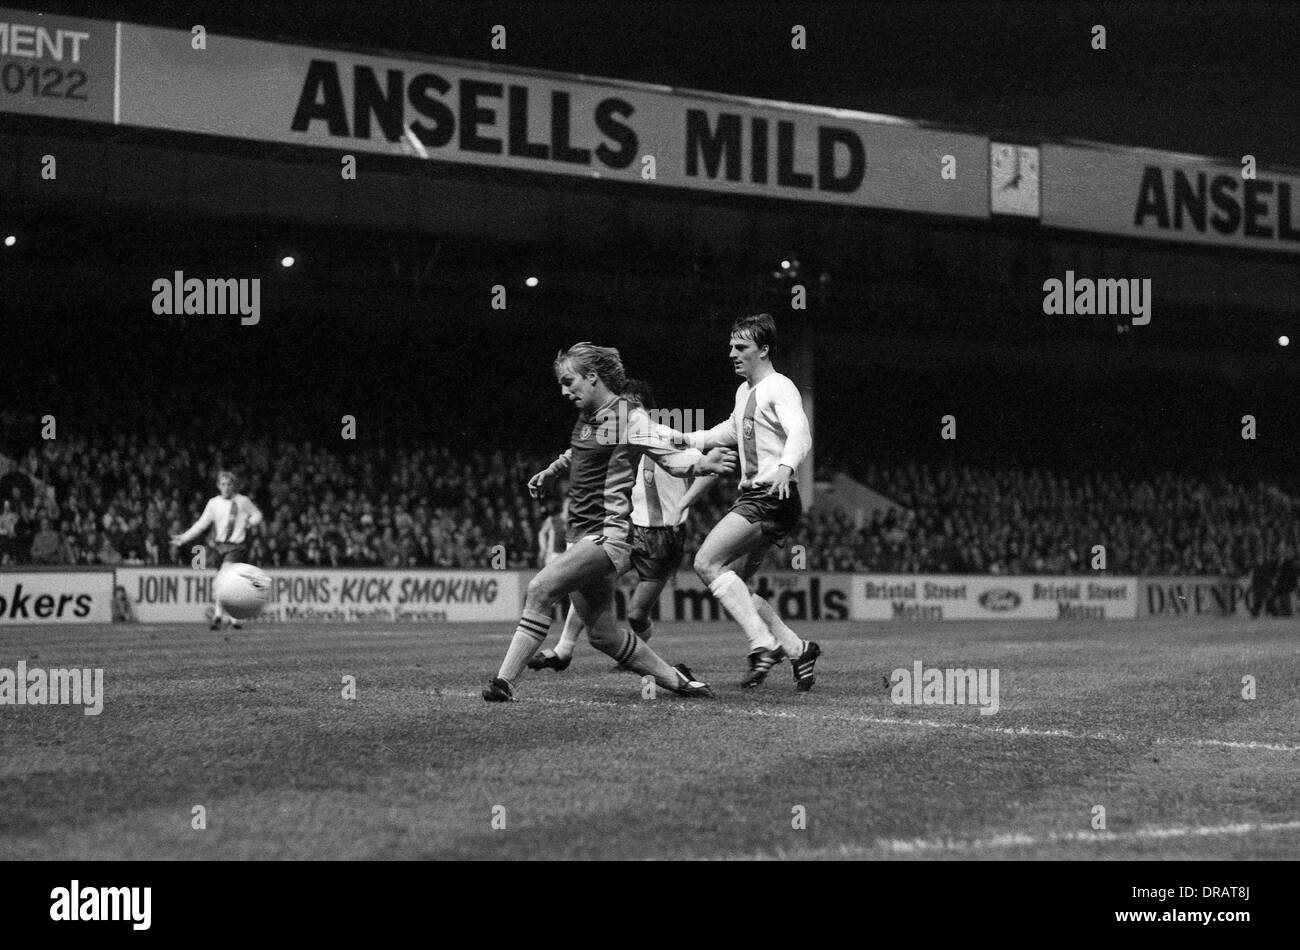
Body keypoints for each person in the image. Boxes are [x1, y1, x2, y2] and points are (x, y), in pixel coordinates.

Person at [481, 343, 736, 702]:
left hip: (607, 536)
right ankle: (681, 682)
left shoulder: (629, 417)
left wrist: (703, 464)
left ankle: (504, 683)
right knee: (604, 636)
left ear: (592, 377)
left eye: (569, 382)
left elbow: (670, 458)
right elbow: (579, 452)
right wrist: (552, 471)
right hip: (580, 536)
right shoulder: (587, 416)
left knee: (540, 590)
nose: (564, 391)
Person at [669, 313, 822, 691]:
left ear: (764, 350)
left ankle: (762, 644)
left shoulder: (779, 387)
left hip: (769, 495)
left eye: (742, 348)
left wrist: (787, 468)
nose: (733, 354)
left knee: (706, 562)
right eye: (731, 347)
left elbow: (800, 432)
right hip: (767, 499)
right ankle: (796, 647)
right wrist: (687, 440)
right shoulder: (745, 393)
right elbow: (729, 431)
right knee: (737, 582)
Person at [529, 378, 717, 672]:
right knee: (587, 579)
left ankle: (639, 656)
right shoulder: (615, 432)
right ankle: (563, 649)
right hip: (629, 531)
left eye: (633, 406)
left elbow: (706, 467)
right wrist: (553, 470)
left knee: (636, 614)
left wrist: (684, 504)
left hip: (662, 537)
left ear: (646, 410)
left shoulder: (664, 435)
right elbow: (578, 453)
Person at [169, 470, 264, 630]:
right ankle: (235, 619)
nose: (226, 487)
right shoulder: (214, 503)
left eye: (229, 484)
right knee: (231, 585)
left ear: (234, 485)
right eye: (223, 484)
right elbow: (201, 524)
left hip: (236, 547)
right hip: (219, 547)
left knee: (222, 579)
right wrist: (184, 538)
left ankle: (218, 616)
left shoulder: (243, 501)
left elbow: (257, 515)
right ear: (218, 486)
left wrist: (250, 522)